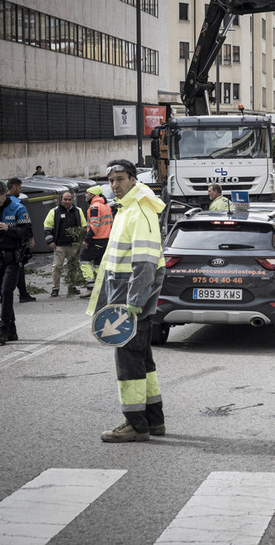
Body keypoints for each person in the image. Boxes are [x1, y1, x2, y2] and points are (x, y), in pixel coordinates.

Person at [85, 159, 166, 443]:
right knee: (143, 362)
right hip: (128, 301)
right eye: (111, 180)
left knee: (129, 364)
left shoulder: (138, 210)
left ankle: (135, 425)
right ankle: (153, 421)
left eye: (120, 179)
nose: (115, 185)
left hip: (129, 304)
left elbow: (144, 264)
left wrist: (133, 302)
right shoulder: (128, 209)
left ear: (133, 179)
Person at [0, 180, 33, 345]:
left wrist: (9, 229)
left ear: (5, 193)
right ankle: (12, 330)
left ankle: (3, 329)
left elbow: (28, 231)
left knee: (6, 291)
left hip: (13, 257)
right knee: (1, 292)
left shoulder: (18, 208)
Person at [44, 191, 87, 297]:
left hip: (74, 245)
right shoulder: (54, 212)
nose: (67, 201)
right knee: (57, 267)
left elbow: (84, 227)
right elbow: (47, 227)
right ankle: (55, 288)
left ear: (72, 200)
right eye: (65, 199)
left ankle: (73, 286)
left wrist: (83, 239)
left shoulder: (78, 211)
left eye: (69, 199)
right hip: (59, 245)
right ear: (61, 200)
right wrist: (50, 241)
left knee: (73, 266)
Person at [6, 177, 36, 303]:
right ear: (14, 188)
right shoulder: (17, 204)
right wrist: (31, 238)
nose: (20, 190)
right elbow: (26, 224)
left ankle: (5, 294)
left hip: (2, 243)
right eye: (19, 188)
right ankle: (22, 294)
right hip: (17, 241)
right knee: (19, 268)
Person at [80, 185, 113, 297]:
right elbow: (111, 224)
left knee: (84, 260)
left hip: (96, 240)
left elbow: (94, 226)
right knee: (98, 264)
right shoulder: (106, 206)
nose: (85, 195)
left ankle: (91, 287)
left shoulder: (94, 207)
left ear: (93, 195)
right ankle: (101, 288)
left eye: (87, 193)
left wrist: (86, 240)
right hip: (106, 240)